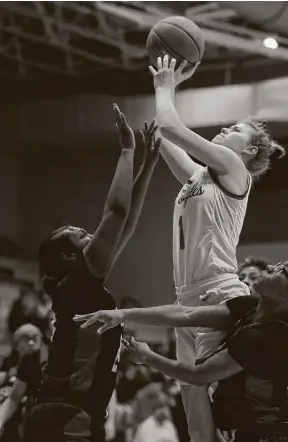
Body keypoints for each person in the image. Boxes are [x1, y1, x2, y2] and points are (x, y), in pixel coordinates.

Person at [148, 54, 286, 442]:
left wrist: (166, 88)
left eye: (236, 130)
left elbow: (171, 125)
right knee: (193, 411)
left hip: (218, 291)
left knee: (224, 402)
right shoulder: (199, 176)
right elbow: (162, 136)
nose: (225, 129)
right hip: (185, 299)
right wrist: (174, 80)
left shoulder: (233, 167)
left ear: (251, 151)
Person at [75, 260, 288, 442]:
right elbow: (186, 314)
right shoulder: (248, 307)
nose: (272, 265)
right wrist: (122, 313)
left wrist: (147, 357)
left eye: (283, 271)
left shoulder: (270, 337)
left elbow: (198, 375)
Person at [22, 105, 160, 442]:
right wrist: (127, 150)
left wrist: (147, 166)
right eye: (83, 234)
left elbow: (124, 223)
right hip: (68, 413)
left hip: (69, 412)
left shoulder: (76, 289)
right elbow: (115, 211)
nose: (93, 236)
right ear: (70, 255)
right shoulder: (77, 286)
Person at [0, 324, 43, 442]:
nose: (31, 343)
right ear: (16, 345)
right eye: (26, 339)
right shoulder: (9, 365)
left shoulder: (44, 365)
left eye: (34, 338)